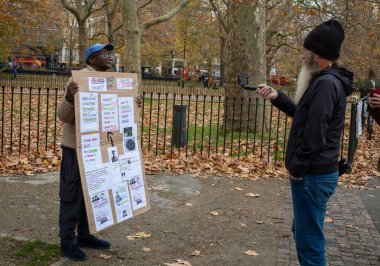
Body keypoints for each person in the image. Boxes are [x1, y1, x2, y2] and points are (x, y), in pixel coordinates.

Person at [257, 20, 354, 265]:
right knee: (304, 234)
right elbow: (305, 115)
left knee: (309, 243)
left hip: (312, 175)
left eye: (306, 50)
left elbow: (314, 135)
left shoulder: (326, 84)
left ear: (318, 54)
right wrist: (277, 97)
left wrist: (298, 170)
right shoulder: (324, 81)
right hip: (315, 174)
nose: (302, 54)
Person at [57, 43, 142, 261]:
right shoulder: (80, 79)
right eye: (103, 53)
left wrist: (132, 104)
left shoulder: (113, 81)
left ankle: (85, 235)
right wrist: (69, 97)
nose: (109, 56)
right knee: (71, 196)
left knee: (92, 194)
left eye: (111, 53)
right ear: (92, 59)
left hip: (100, 149)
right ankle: (67, 242)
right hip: (76, 148)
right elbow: (63, 117)